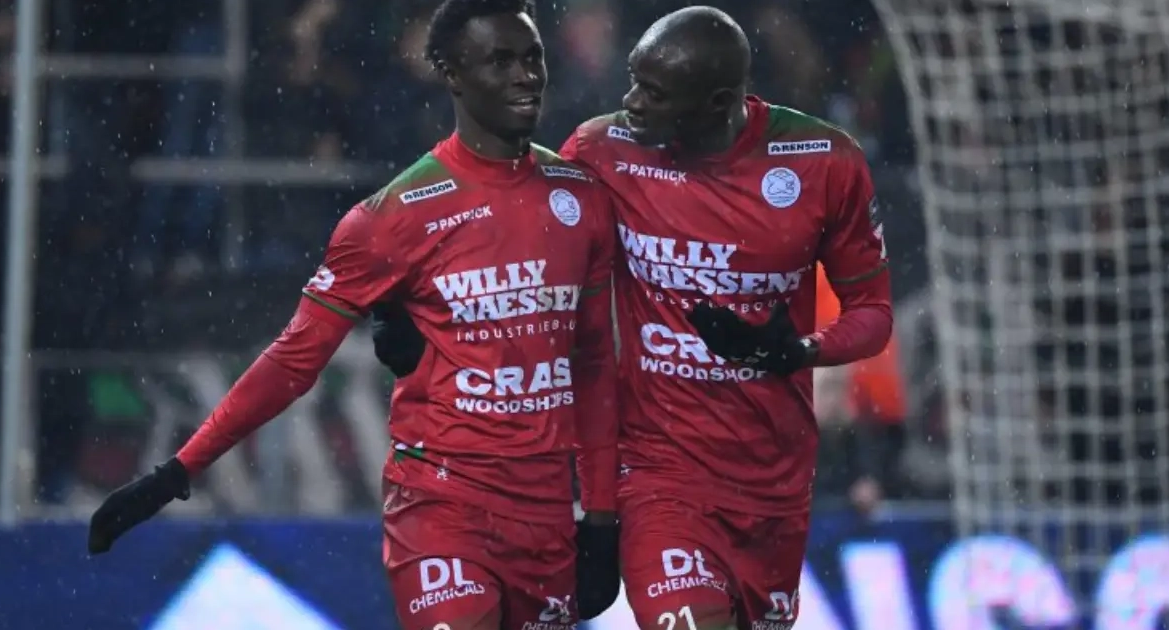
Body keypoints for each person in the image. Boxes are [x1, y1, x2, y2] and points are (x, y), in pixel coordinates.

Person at [87, 1, 621, 628]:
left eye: (532, 58)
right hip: (441, 509)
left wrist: (602, 517)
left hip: (548, 517)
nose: (524, 75)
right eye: (499, 60)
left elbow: (593, 365)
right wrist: (177, 471)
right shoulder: (394, 215)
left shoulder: (578, 197)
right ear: (451, 73)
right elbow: (292, 360)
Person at [373, 6, 894, 629]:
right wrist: (407, 307)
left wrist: (798, 351)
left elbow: (873, 313)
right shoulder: (603, 151)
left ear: (718, 101)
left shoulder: (824, 162)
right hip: (655, 470)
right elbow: (507, 221)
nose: (631, 103)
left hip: (774, 480)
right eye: (633, 81)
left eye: (654, 93)